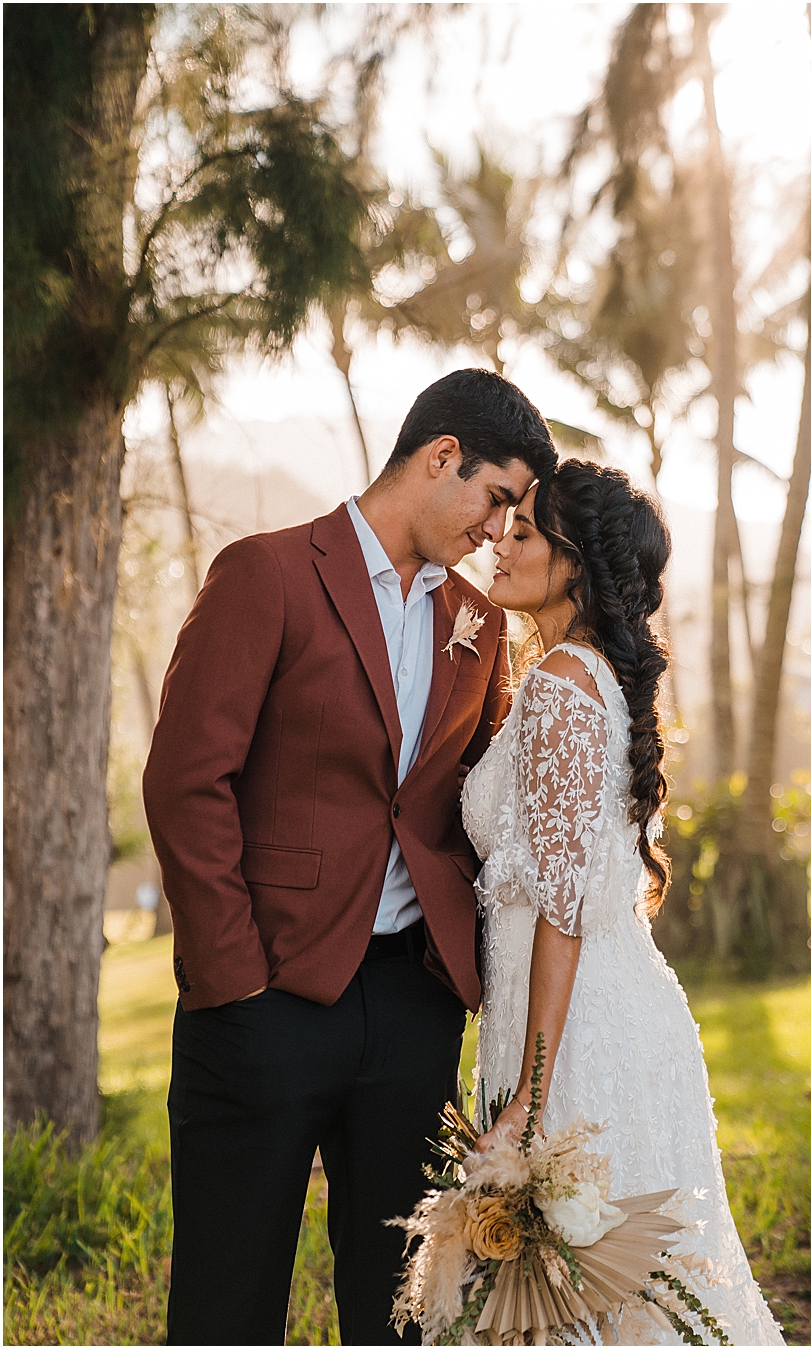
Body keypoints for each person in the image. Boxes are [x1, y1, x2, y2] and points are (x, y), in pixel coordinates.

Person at [144, 368, 557, 1344]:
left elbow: (458, 802)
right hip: (265, 999)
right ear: (440, 456)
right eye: (496, 499)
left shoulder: (480, 620)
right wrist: (234, 979)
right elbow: (184, 781)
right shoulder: (266, 573)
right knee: (226, 1303)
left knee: (401, 1310)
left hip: (410, 1009)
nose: (500, 531)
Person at [461, 460, 784, 1345]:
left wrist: (528, 1099)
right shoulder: (584, 675)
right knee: (610, 1299)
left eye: (523, 532)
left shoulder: (564, 685)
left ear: (574, 565)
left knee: (592, 1300)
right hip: (594, 1011)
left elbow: (561, 910)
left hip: (573, 1038)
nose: (499, 540)